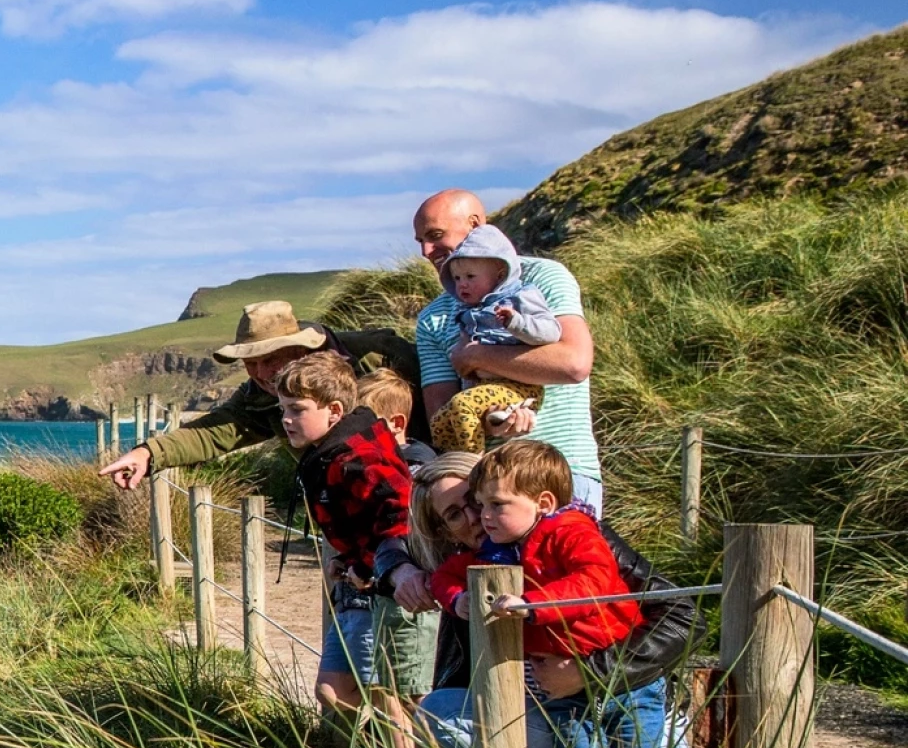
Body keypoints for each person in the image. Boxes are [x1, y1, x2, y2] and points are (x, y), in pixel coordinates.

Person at [405, 453, 694, 748]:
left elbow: (682, 615)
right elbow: (390, 540)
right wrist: (397, 571)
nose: (479, 517)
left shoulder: (576, 536)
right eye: (457, 513)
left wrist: (588, 672)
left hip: (628, 698)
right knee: (439, 710)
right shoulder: (479, 568)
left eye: (486, 501)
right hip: (558, 713)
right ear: (444, 531)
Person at [408, 190, 604, 513]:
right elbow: (441, 420)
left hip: (563, 472)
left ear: (474, 224)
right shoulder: (434, 317)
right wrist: (487, 419)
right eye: (421, 241)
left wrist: (476, 356)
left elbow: (573, 363)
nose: (427, 250)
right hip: (487, 489)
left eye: (435, 235)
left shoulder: (541, 278)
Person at [98, 300, 424, 490]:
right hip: (340, 509)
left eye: (270, 360)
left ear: (300, 348)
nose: (261, 373)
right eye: (250, 363)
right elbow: (215, 432)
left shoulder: (377, 356)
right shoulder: (260, 396)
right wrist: (147, 454)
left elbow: (434, 402)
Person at [275, 353, 415, 731]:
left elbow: (401, 511)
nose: (286, 419)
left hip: (386, 591)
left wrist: (371, 565)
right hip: (362, 585)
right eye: (283, 408)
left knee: (391, 698)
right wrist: (349, 556)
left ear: (334, 410)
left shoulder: (358, 456)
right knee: (333, 691)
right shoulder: (334, 453)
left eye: (296, 409)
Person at [355, 367, 435, 748]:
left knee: (411, 692)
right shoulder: (387, 466)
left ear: (396, 424)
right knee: (388, 687)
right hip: (390, 591)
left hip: (413, 594)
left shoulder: (413, 472)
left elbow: (404, 532)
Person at [430, 224, 561, 454]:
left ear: (500, 273)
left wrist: (516, 323)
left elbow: (551, 331)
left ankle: (472, 467)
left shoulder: (521, 296)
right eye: (457, 277)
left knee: (462, 406)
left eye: (470, 276)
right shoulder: (468, 311)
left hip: (519, 385)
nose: (462, 284)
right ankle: (452, 465)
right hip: (484, 388)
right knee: (440, 422)